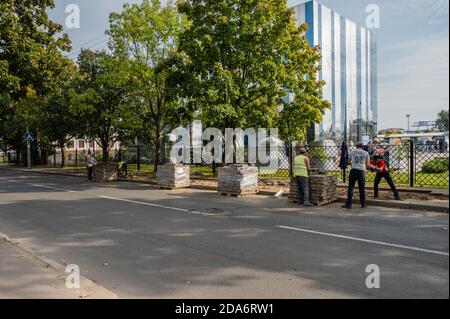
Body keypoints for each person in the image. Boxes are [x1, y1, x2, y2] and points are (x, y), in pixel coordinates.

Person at [342, 142, 375, 209]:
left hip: (353, 171)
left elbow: (349, 161)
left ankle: (349, 204)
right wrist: (373, 167)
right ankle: (363, 203)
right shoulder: (366, 153)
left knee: (351, 187)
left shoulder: (353, 152)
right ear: (362, 147)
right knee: (362, 188)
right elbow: (367, 165)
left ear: (356, 146)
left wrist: (352, 164)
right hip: (361, 171)